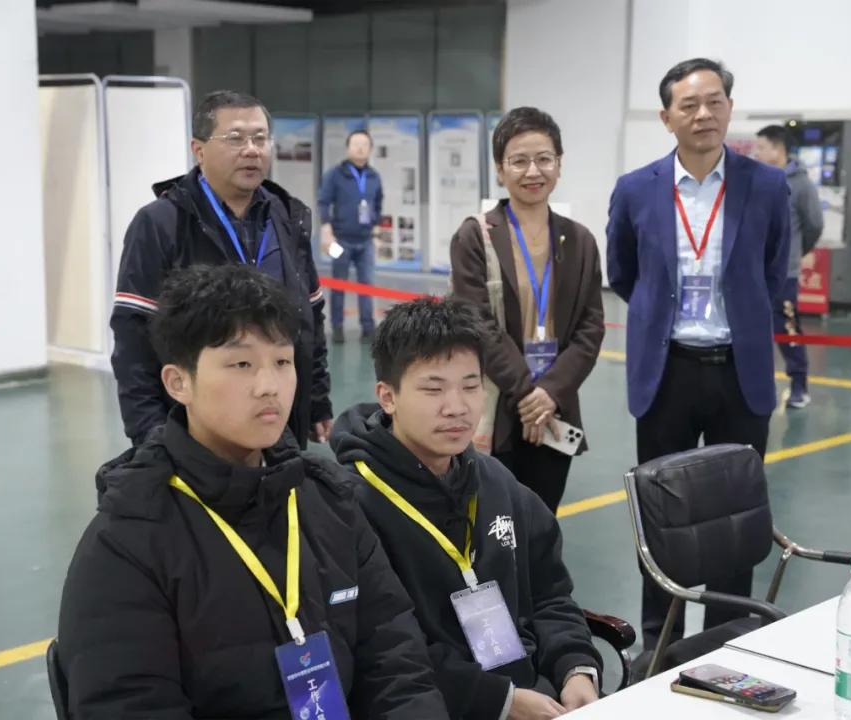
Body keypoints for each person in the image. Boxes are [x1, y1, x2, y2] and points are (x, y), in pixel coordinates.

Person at [58, 264, 449, 719]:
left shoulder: (329, 500)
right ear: (178, 382)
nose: (269, 387)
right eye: (241, 364)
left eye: (282, 362)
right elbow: (129, 704)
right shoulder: (128, 541)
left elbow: (396, 661)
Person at [331, 297, 603, 720]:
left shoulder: (496, 481)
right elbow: (381, 650)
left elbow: (550, 593)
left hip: (534, 694)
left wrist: (575, 668)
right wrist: (500, 701)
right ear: (387, 396)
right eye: (433, 389)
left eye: (471, 386)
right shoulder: (351, 504)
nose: (457, 407)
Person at [606, 58, 790, 650]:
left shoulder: (767, 186)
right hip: (668, 373)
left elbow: (774, 272)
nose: (703, 113)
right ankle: (656, 646)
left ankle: (729, 639)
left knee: (736, 517)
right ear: (667, 118)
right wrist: (665, 320)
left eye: (714, 101)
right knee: (661, 515)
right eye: (689, 105)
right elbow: (623, 272)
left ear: (729, 108)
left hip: (741, 373)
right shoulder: (636, 189)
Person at [110, 90, 332, 449]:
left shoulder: (287, 217)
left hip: (277, 418)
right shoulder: (162, 223)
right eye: (235, 138)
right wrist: (150, 433)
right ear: (198, 150)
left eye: (260, 138)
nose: (252, 150)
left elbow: (310, 317)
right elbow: (133, 335)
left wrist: (316, 399)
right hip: (196, 430)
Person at [448, 107, 604, 513]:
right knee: (492, 524)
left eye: (544, 159)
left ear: (559, 165)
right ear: (500, 170)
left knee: (542, 520)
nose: (533, 171)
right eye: (519, 161)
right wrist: (527, 394)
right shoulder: (475, 236)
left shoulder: (580, 241)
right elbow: (476, 323)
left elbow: (590, 328)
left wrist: (549, 393)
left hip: (556, 409)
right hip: (498, 405)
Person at [754, 125, 824, 409]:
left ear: (778, 149)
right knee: (751, 330)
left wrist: (794, 253)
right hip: (754, 272)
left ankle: (799, 384)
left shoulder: (801, 185)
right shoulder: (756, 180)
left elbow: (814, 225)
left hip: (784, 275)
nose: (756, 153)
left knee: (787, 329)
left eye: (761, 147)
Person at [318, 129, 384, 344]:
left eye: (365, 145)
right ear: (348, 148)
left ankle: (368, 327)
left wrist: (376, 233)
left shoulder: (374, 177)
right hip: (341, 240)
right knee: (339, 284)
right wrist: (326, 229)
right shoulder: (335, 175)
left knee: (367, 285)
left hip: (366, 240)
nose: (360, 148)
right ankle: (337, 326)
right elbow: (324, 202)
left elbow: (377, 205)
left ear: (370, 149)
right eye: (356, 144)